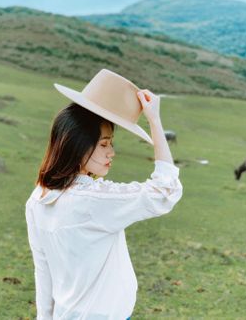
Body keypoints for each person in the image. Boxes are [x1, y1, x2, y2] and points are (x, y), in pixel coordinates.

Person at [25, 69, 183, 320]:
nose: (112, 153)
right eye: (104, 144)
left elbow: (43, 271)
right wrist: (155, 120)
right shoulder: (92, 200)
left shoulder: (37, 199)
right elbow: (165, 191)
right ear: (78, 145)